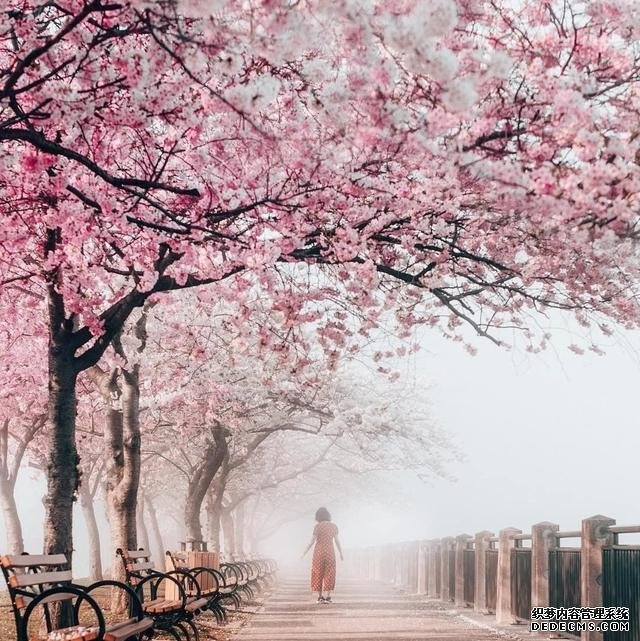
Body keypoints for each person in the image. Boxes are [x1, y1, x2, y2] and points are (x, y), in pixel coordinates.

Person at [301, 507, 343, 603]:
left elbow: (312, 541)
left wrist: (304, 552)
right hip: (330, 551)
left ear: (318, 516)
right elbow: (337, 541)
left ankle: (320, 597)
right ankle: (328, 597)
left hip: (319, 552)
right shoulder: (333, 526)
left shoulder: (318, 526)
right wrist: (340, 553)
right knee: (330, 572)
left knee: (318, 572)